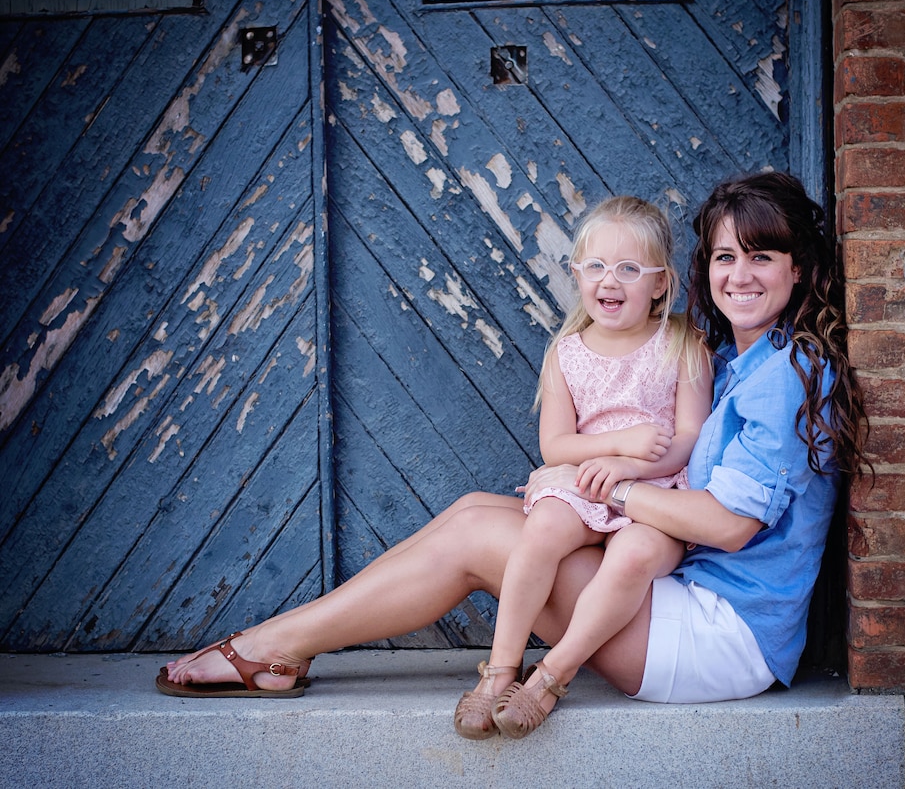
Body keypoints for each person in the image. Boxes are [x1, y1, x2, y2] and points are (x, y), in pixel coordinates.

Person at [158, 172, 867, 742]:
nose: (739, 275)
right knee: (472, 511)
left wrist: (610, 489)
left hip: (720, 635)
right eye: (724, 257)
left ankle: (271, 648)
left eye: (761, 257)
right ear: (702, 268)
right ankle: (284, 643)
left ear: (799, 270)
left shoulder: (783, 376)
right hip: (690, 602)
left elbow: (729, 527)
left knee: (477, 536)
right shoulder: (740, 359)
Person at [453, 197, 712, 739]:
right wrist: (617, 449)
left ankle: (550, 678)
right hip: (585, 486)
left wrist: (634, 464)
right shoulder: (567, 353)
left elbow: (690, 436)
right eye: (595, 266)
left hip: (658, 491)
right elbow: (555, 446)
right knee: (542, 528)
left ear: (660, 283)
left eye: (629, 268)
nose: (609, 281)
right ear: (576, 274)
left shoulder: (683, 345)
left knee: (636, 553)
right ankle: (500, 670)